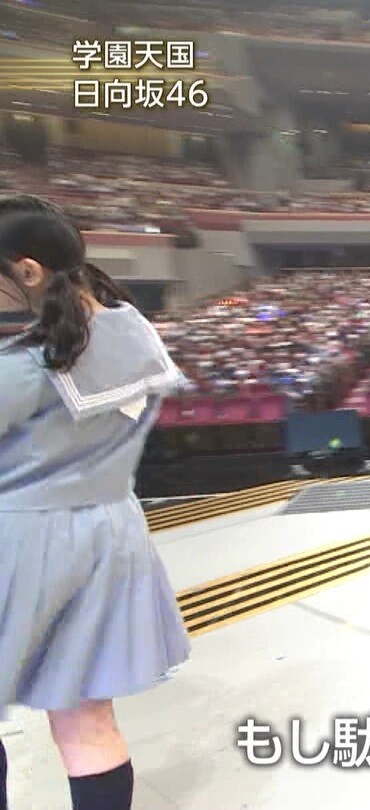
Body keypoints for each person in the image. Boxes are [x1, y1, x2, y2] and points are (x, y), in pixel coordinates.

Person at [0, 194, 191, 810]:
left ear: (28, 271)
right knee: (86, 721)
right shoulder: (133, 331)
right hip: (112, 535)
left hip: (22, 540)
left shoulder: (25, 366)